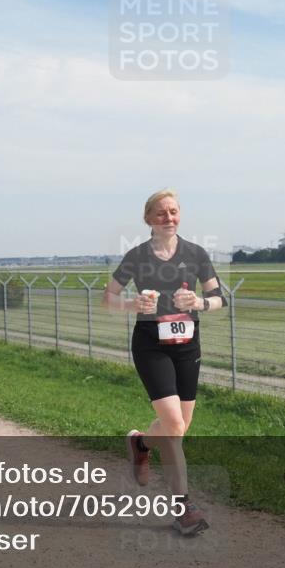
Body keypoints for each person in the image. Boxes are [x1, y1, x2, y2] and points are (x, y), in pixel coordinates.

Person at [102, 189, 226, 536]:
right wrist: (131, 305)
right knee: (173, 424)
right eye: (161, 213)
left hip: (187, 346)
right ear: (148, 219)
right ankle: (183, 508)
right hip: (150, 345)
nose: (168, 218)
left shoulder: (196, 253)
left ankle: (141, 443)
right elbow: (108, 297)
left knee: (179, 428)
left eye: (173, 212)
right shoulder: (137, 256)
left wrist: (200, 303)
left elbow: (220, 298)